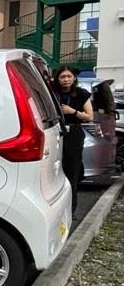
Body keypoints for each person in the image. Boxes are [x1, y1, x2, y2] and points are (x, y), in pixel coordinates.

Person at [54, 65, 93, 217]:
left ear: (74, 78)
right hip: (56, 132)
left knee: (72, 170)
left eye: (69, 76)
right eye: (62, 77)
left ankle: (71, 210)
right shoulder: (53, 93)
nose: (66, 80)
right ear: (58, 79)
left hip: (74, 133)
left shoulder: (81, 94)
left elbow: (90, 117)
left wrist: (73, 112)